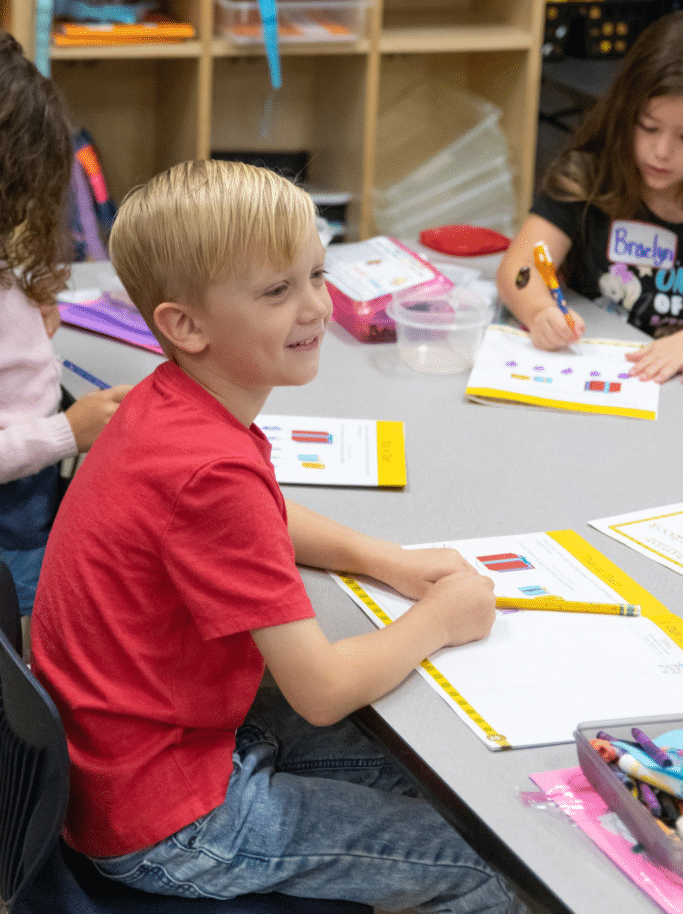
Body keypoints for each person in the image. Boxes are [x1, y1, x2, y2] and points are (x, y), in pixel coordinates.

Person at [31, 160, 527, 914]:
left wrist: (383, 559)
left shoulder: (165, 401)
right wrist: (438, 621)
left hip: (138, 760)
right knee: (494, 865)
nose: (317, 308)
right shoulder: (210, 471)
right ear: (184, 324)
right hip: (172, 820)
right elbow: (322, 691)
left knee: (445, 783)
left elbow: (260, 518)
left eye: (317, 275)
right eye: (277, 291)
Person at [0, 32, 131, 619]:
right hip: (14, 490)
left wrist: (29, 317)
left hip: (28, 475)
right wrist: (67, 434)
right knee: (18, 627)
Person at [497, 10, 683, 384]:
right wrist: (539, 312)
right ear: (623, 113)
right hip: (601, 370)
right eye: (648, 127)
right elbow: (519, 269)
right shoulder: (589, 177)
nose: (661, 151)